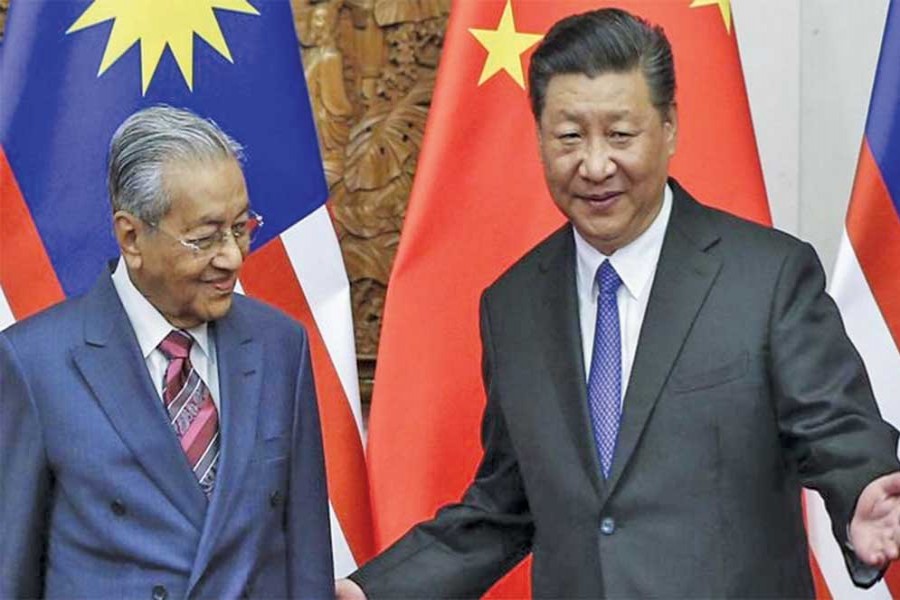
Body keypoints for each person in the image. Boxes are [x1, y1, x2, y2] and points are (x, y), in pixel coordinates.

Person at [337, 8, 900, 599]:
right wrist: (374, 590)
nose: (596, 165)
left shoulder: (767, 277)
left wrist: (862, 487)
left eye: (621, 135)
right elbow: (506, 504)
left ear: (670, 128)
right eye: (570, 137)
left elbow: (835, 426)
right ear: (540, 137)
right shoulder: (513, 305)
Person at [0, 105, 334, 599]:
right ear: (131, 236)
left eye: (242, 228)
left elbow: (307, 560)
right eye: (204, 238)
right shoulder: (36, 362)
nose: (233, 257)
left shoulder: (280, 345)